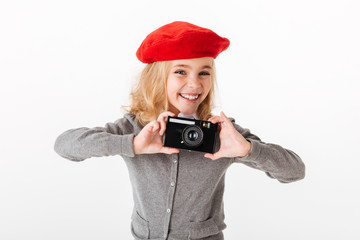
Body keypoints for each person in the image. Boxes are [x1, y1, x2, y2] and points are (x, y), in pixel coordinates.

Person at [54, 21, 305, 240]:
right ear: (157, 77)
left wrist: (247, 150)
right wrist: (132, 145)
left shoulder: (222, 133)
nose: (194, 84)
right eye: (181, 71)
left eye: (204, 72)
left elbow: (295, 171)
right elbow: (65, 145)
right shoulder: (136, 127)